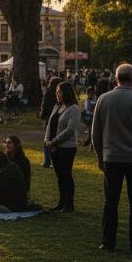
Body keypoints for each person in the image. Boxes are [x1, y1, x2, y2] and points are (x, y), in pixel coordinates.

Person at [91, 64, 132, 254]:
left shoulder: (104, 99)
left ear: (116, 78)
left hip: (112, 157)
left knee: (110, 201)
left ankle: (108, 241)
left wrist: (100, 156)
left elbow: (96, 132)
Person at [44, 81, 80, 212]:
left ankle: (69, 204)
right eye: (56, 92)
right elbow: (50, 124)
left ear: (66, 92)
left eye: (59, 91)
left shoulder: (73, 109)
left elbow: (70, 129)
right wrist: (47, 140)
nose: (57, 94)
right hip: (54, 147)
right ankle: (61, 201)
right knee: (59, 175)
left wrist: (54, 141)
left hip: (66, 147)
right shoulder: (56, 107)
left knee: (66, 174)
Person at [38, 77, 60, 168]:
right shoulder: (57, 93)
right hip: (56, 117)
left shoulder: (47, 92)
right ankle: (52, 160)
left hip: (49, 117)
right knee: (54, 139)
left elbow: (44, 105)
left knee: (47, 139)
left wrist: (42, 115)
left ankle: (47, 160)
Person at [3, 136, 31, 200]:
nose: (7, 145)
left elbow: (26, 179)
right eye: (6, 143)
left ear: (17, 145)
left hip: (19, 189)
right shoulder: (4, 159)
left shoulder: (24, 160)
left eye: (10, 143)